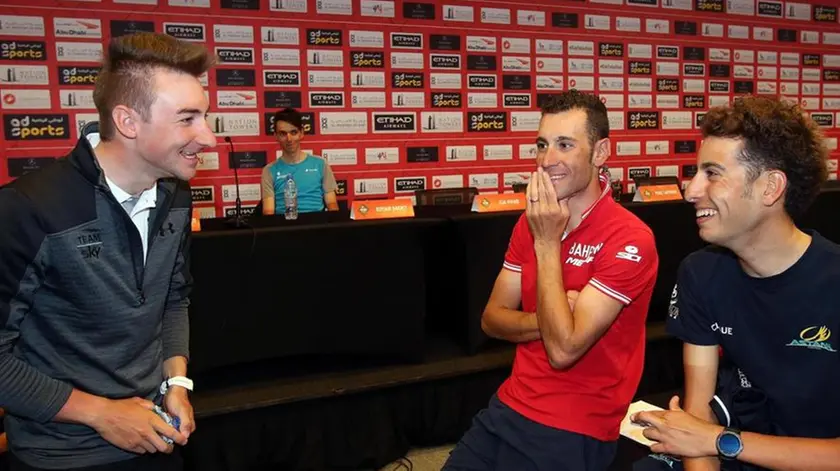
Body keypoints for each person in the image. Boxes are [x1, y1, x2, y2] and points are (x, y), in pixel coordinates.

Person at [0, 31, 216, 470]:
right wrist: (102, 414)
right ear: (128, 122)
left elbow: (173, 298)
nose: (208, 138)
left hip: (159, 438)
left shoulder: (176, 195)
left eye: (205, 117)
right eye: (188, 119)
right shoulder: (27, 209)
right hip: (60, 456)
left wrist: (177, 382)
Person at [443, 90, 660, 470]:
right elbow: (491, 319)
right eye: (542, 145)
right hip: (509, 405)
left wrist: (547, 243)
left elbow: (564, 351)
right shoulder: (529, 224)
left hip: (575, 426)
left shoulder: (629, 238)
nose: (547, 160)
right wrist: (552, 317)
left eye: (564, 145)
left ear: (600, 153)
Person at [633, 95, 837, 471]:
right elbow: (696, 417)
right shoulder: (701, 273)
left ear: (770, 187)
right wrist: (710, 442)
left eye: (712, 173)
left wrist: (721, 440)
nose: (691, 191)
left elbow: (705, 436)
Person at [261, 108, 339, 215]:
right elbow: (268, 212)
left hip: (317, 226)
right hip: (284, 227)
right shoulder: (269, 170)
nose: (289, 139)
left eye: (293, 132)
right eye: (283, 133)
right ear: (276, 136)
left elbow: (332, 204)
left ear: (301, 133)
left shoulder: (320, 164)